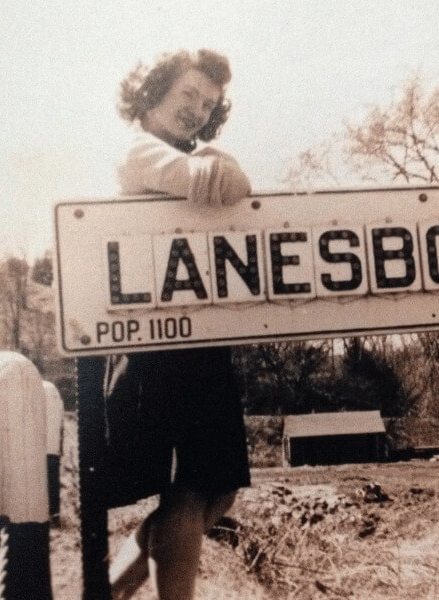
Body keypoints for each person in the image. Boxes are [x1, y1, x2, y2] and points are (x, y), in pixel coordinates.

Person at [105, 49, 252, 600]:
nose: (197, 109)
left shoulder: (187, 151)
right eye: (188, 94)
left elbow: (224, 181)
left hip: (200, 342)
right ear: (155, 90)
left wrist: (217, 157)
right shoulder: (139, 151)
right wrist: (219, 158)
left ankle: (110, 590)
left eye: (209, 104)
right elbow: (219, 184)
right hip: (155, 344)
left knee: (217, 494)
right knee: (189, 494)